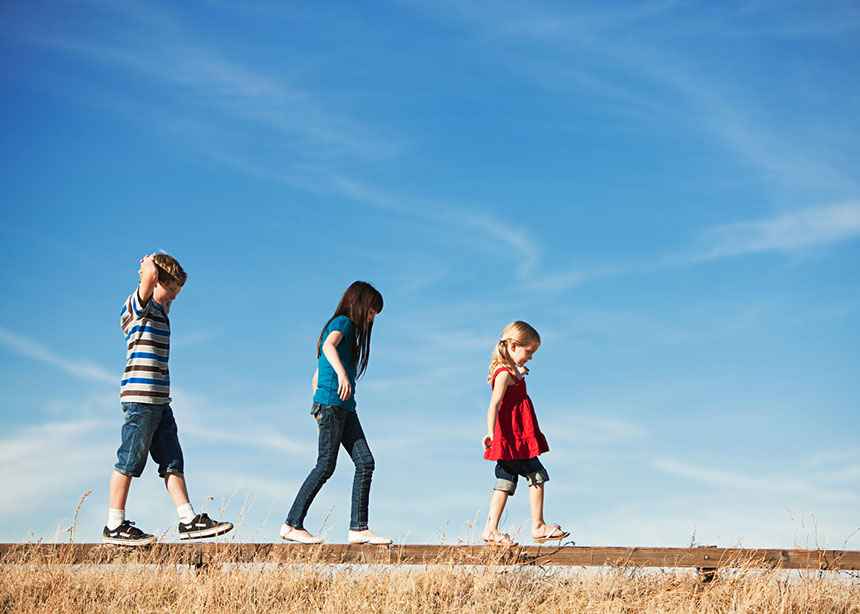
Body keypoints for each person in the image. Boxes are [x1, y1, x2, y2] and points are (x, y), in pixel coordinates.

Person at [103, 253, 233, 545]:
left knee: (172, 460)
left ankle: (188, 520)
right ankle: (114, 525)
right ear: (156, 282)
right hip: (140, 399)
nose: (174, 295)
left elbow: (162, 286)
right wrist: (148, 264)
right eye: (171, 288)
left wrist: (167, 281)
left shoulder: (161, 311)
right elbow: (149, 277)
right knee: (129, 460)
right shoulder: (140, 307)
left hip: (161, 402)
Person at [281, 281, 391, 545]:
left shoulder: (349, 332)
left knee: (365, 462)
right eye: (371, 311)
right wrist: (341, 375)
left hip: (343, 407)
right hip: (332, 406)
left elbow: (318, 370)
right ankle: (291, 524)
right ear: (359, 304)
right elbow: (329, 347)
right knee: (325, 466)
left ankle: (358, 528)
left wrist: (322, 386)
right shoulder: (343, 322)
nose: (372, 318)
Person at [481, 321, 570, 545]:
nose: (530, 357)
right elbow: (495, 404)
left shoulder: (510, 372)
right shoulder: (503, 374)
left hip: (516, 439)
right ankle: (538, 526)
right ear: (512, 346)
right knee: (536, 474)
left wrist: (518, 372)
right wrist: (490, 433)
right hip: (513, 438)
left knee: (505, 480)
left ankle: (490, 529)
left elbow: (513, 383)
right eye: (528, 351)